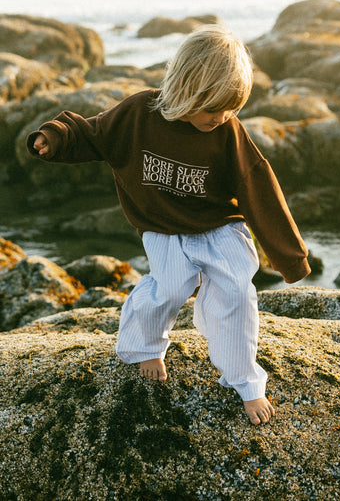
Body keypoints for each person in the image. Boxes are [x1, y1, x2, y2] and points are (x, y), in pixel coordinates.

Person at [27, 26, 310, 425]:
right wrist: (55, 138)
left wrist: (289, 257)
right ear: (185, 91)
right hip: (161, 227)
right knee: (171, 286)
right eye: (213, 109)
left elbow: (258, 186)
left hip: (218, 225)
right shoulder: (139, 114)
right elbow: (93, 133)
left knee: (236, 290)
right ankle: (145, 345)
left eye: (231, 109)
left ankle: (246, 382)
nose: (221, 118)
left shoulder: (227, 132)